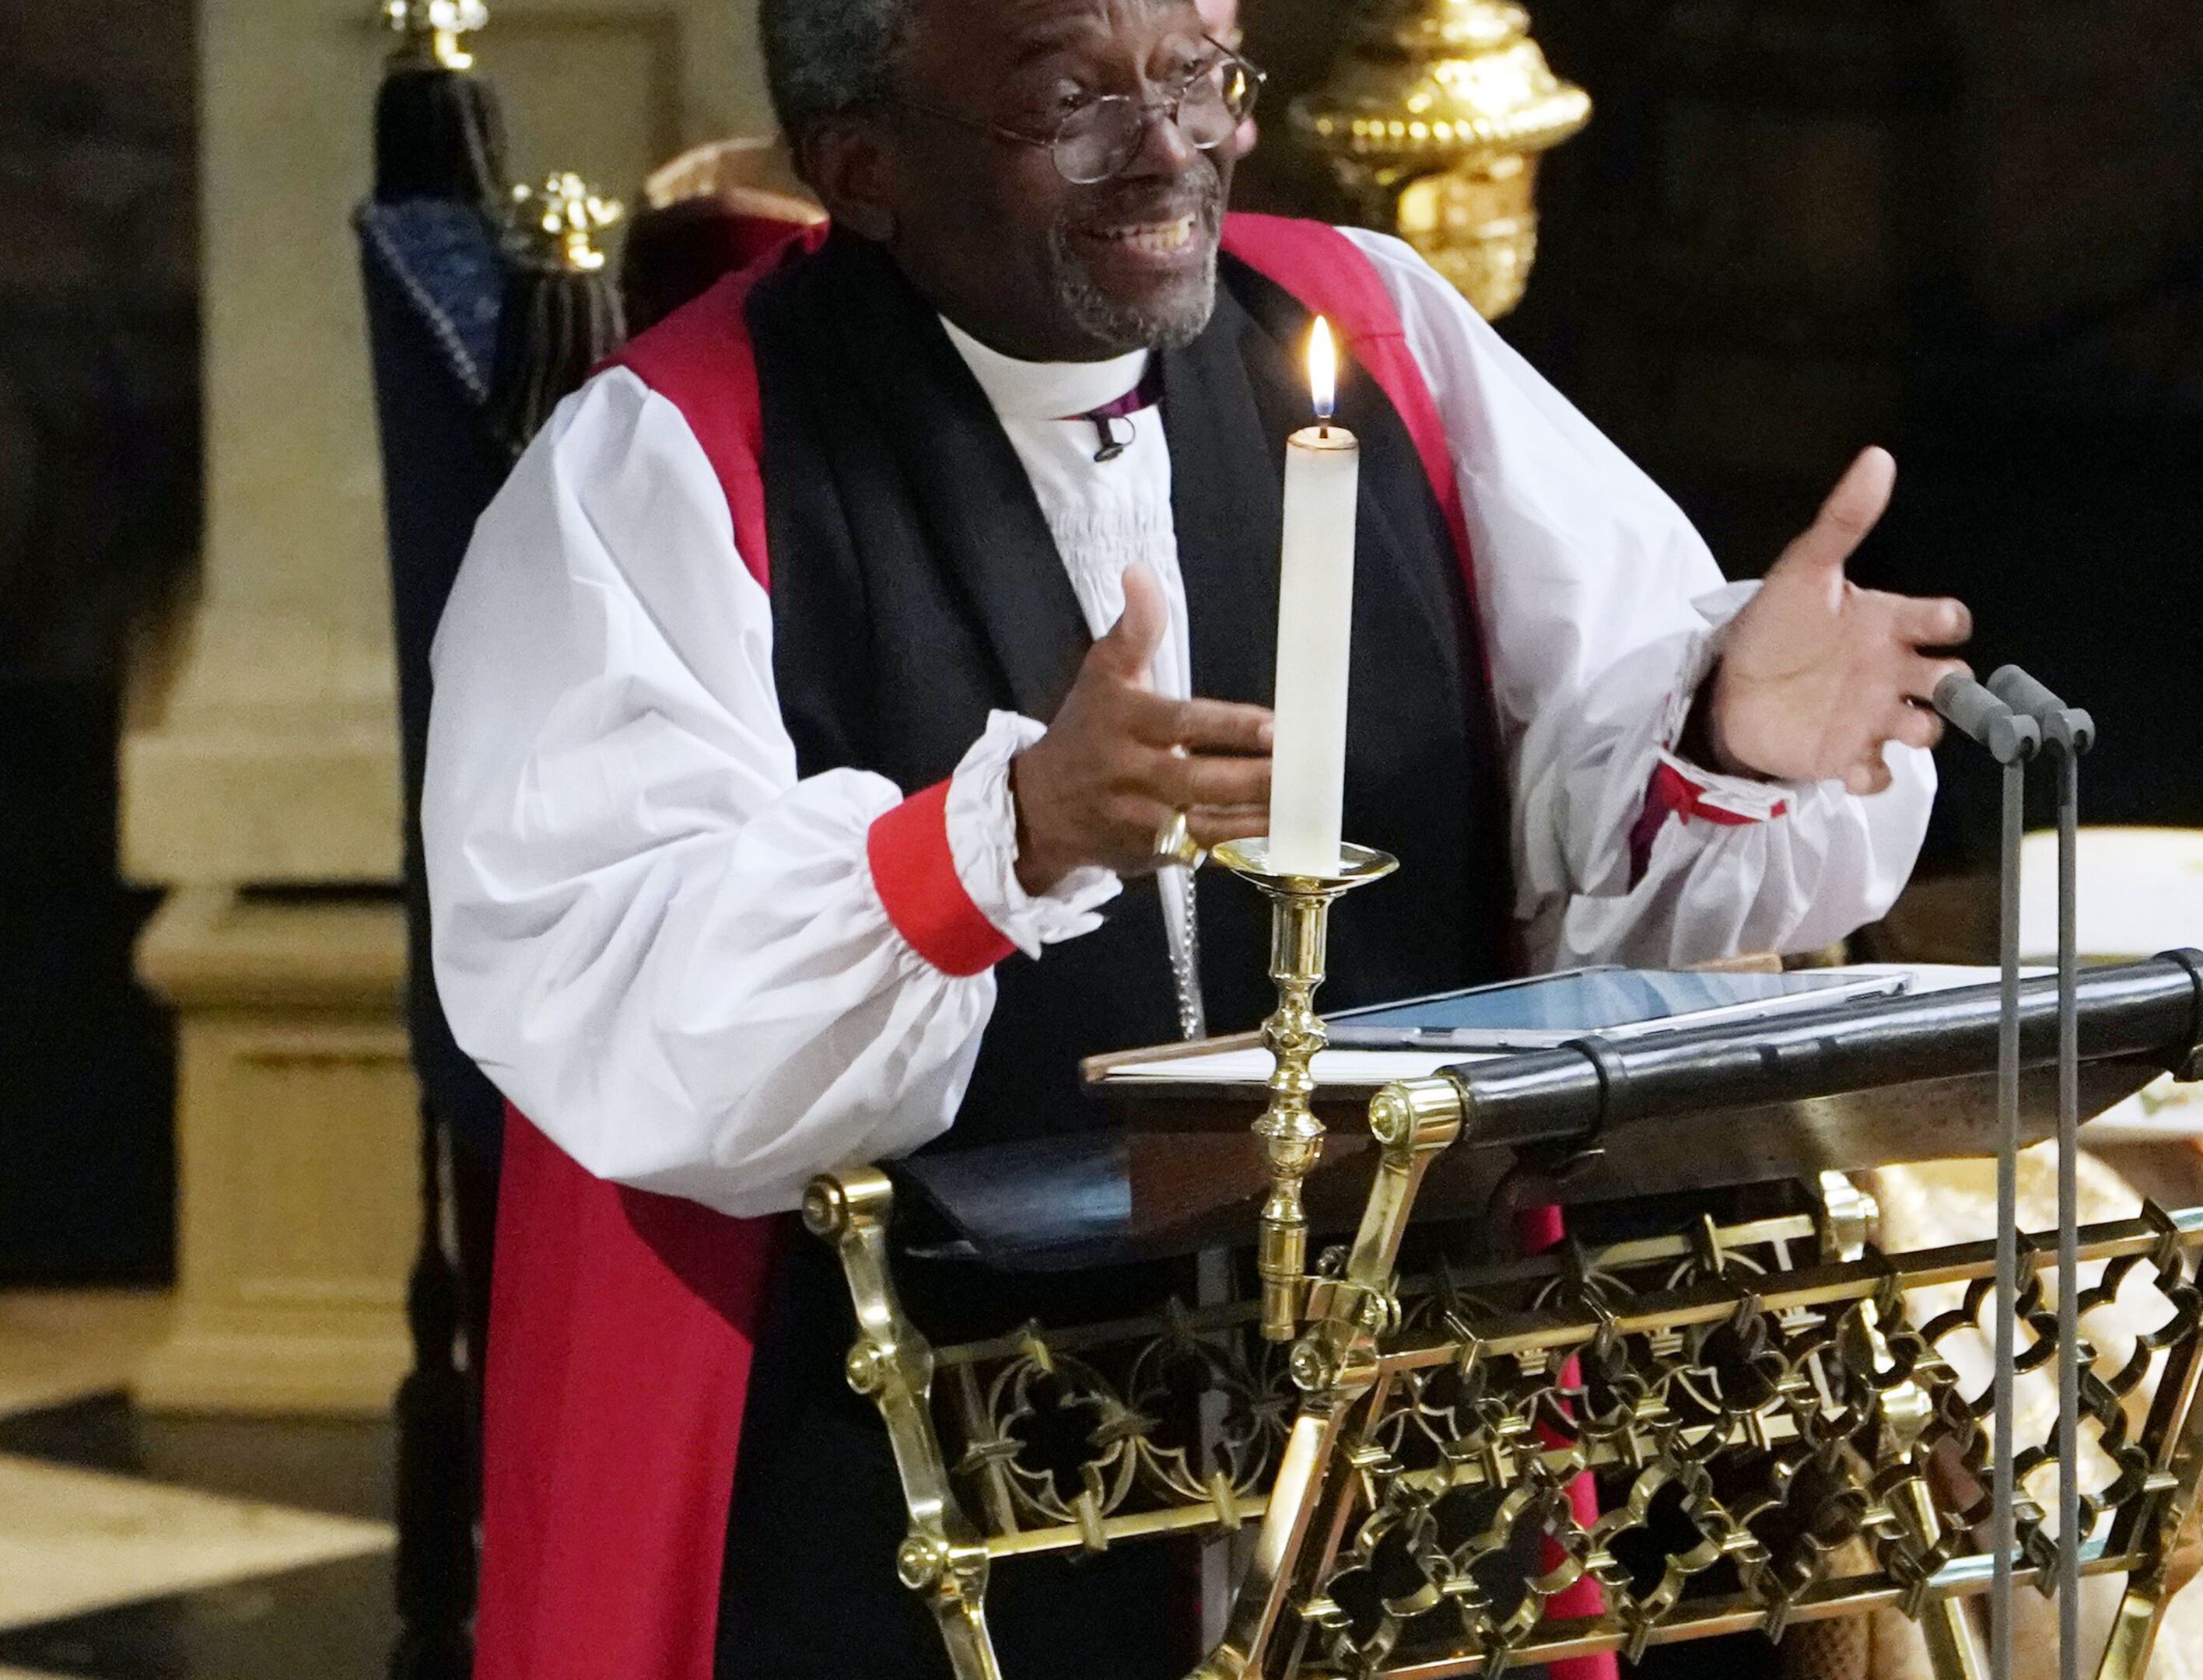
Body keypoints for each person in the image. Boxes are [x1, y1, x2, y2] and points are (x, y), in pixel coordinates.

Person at [422, 0, 1974, 1675]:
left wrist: (1729, 731)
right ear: (860, 163)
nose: (1170, 146)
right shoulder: (668, 454)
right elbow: (611, 975)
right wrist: (994, 841)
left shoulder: (1372, 328)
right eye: (1070, 93)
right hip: (899, 1465)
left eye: (1195, 69)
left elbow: (1579, 793)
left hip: (1383, 1404)